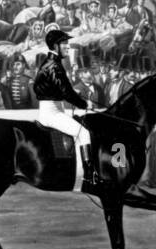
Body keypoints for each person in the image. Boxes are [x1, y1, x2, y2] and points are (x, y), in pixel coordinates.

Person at [32, 29, 103, 188]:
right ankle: (89, 175)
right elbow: (65, 91)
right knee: (83, 133)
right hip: (52, 113)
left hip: (55, 109)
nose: (67, 47)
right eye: (64, 43)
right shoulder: (53, 66)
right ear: (55, 46)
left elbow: (54, 89)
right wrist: (83, 104)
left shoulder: (51, 63)